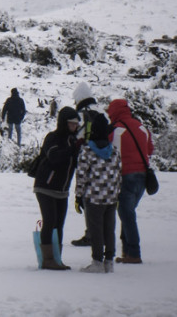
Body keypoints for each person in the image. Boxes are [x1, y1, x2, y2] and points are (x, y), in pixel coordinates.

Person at [107, 98, 155, 265]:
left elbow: (107, 151)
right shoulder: (142, 127)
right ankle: (127, 252)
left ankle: (133, 253)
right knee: (127, 213)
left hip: (125, 175)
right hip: (142, 176)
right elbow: (150, 150)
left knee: (127, 214)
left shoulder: (115, 130)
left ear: (113, 112)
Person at [32, 106, 80, 270]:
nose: (75, 126)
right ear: (63, 123)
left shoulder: (73, 141)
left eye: (76, 123)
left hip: (62, 190)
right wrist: (72, 150)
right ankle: (47, 259)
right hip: (45, 186)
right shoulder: (53, 137)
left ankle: (56, 258)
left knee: (59, 223)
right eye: (72, 123)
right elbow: (53, 156)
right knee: (50, 220)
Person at [74, 113, 122, 273]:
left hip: (93, 197)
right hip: (111, 196)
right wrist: (117, 194)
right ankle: (109, 261)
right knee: (109, 229)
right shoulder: (114, 151)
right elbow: (118, 174)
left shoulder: (87, 151)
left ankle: (97, 262)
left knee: (96, 230)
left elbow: (81, 175)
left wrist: (78, 196)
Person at [70, 82, 108, 247]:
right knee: (104, 201)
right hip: (106, 162)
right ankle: (103, 234)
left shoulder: (84, 114)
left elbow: (78, 138)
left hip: (88, 161)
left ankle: (91, 235)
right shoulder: (102, 113)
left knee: (88, 200)